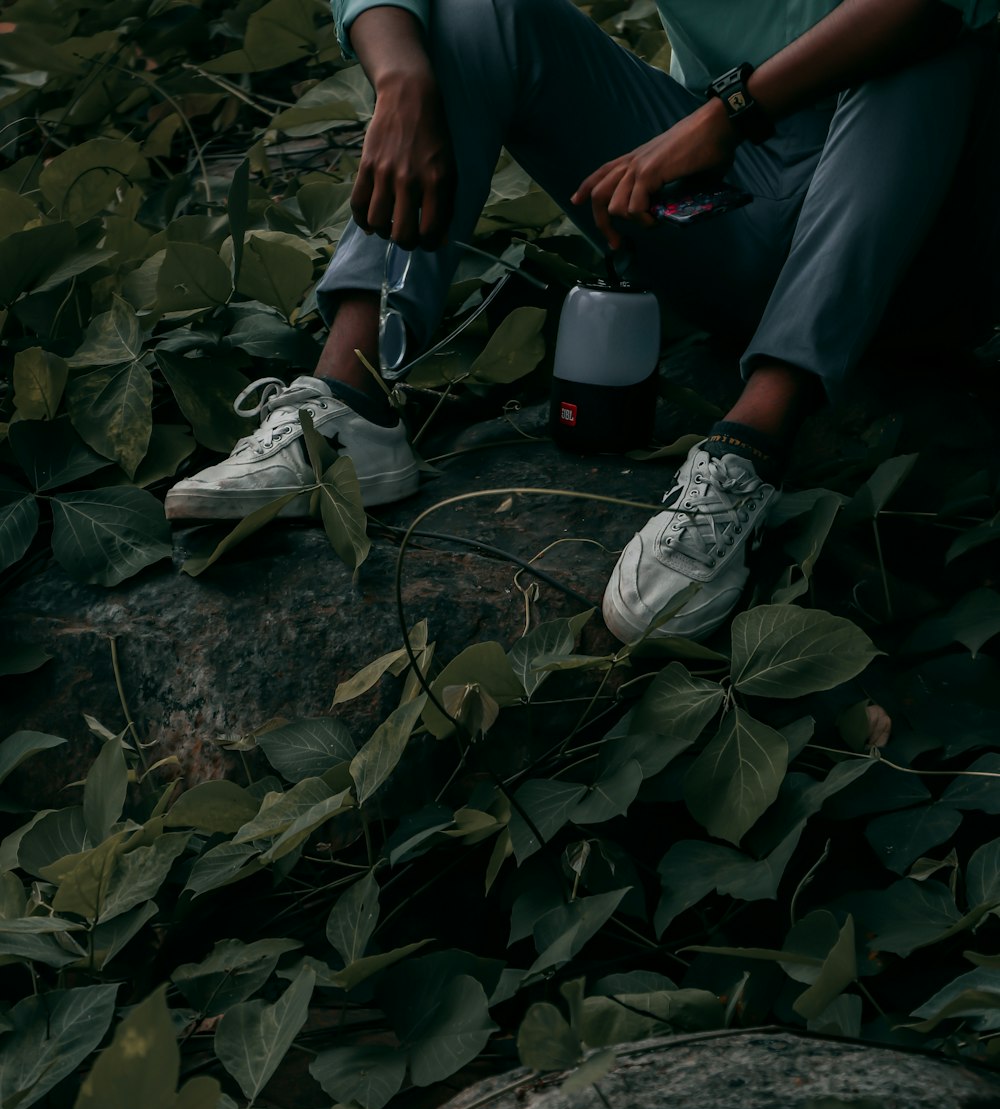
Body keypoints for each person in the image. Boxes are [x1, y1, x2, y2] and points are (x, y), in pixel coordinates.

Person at [165, 0, 997, 641]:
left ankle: (752, 446)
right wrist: (402, 77)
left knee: (930, 34)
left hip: (925, 240)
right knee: (475, 11)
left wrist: (726, 111)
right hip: (744, 201)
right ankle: (351, 395)